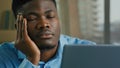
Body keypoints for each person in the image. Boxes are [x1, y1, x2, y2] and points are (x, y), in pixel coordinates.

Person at [0, 0, 95, 68]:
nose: (44, 24)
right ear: (18, 26)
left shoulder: (89, 51)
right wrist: (32, 59)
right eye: (32, 18)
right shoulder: (3, 56)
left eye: (50, 16)